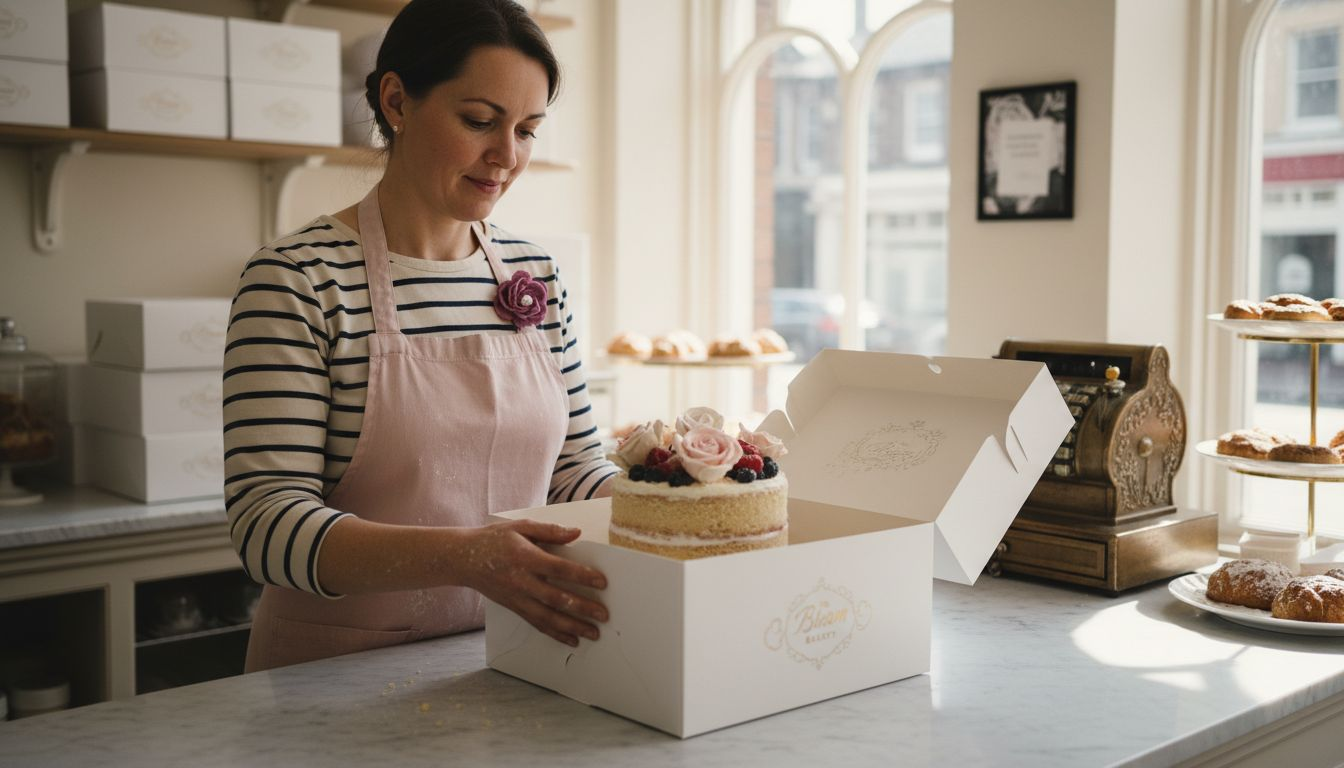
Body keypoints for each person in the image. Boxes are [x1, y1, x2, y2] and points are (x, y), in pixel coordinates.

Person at [223, 0, 617, 672]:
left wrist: (686, 501)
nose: (506, 156)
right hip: (330, 674)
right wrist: (466, 557)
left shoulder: (537, 276)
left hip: (503, 655)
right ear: (397, 101)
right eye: (479, 121)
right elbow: (266, 526)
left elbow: (574, 472)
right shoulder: (298, 280)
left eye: (526, 130)